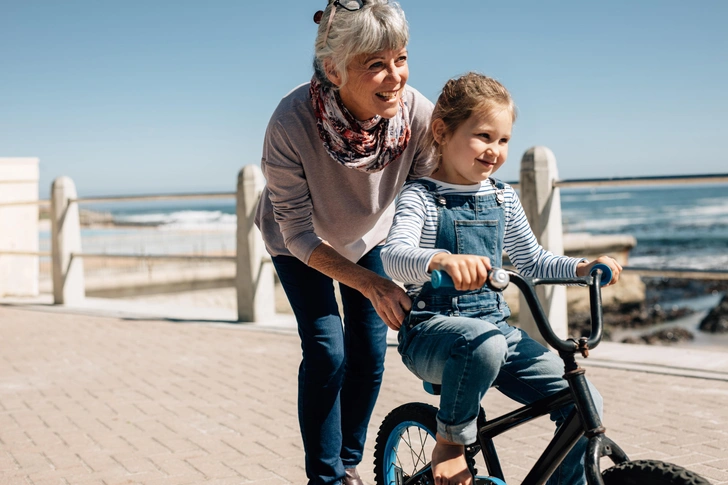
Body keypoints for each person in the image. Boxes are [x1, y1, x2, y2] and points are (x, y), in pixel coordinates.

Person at [381, 72, 623, 485]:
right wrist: (439, 260)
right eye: (483, 136)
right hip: (432, 332)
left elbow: (532, 262)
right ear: (441, 131)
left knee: (585, 405)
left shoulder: (501, 196)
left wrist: (582, 270)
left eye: (503, 140)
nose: (494, 151)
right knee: (483, 345)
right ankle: (451, 441)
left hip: (496, 332)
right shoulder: (420, 196)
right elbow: (393, 257)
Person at [254, 1, 434, 484]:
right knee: (328, 349)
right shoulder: (290, 122)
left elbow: (427, 198)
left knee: (371, 352)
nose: (394, 76)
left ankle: (348, 463)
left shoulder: (416, 113)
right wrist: (372, 285)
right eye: (375, 65)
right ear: (334, 70)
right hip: (300, 239)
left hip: (369, 232)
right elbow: (296, 231)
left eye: (400, 58)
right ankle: (326, 477)